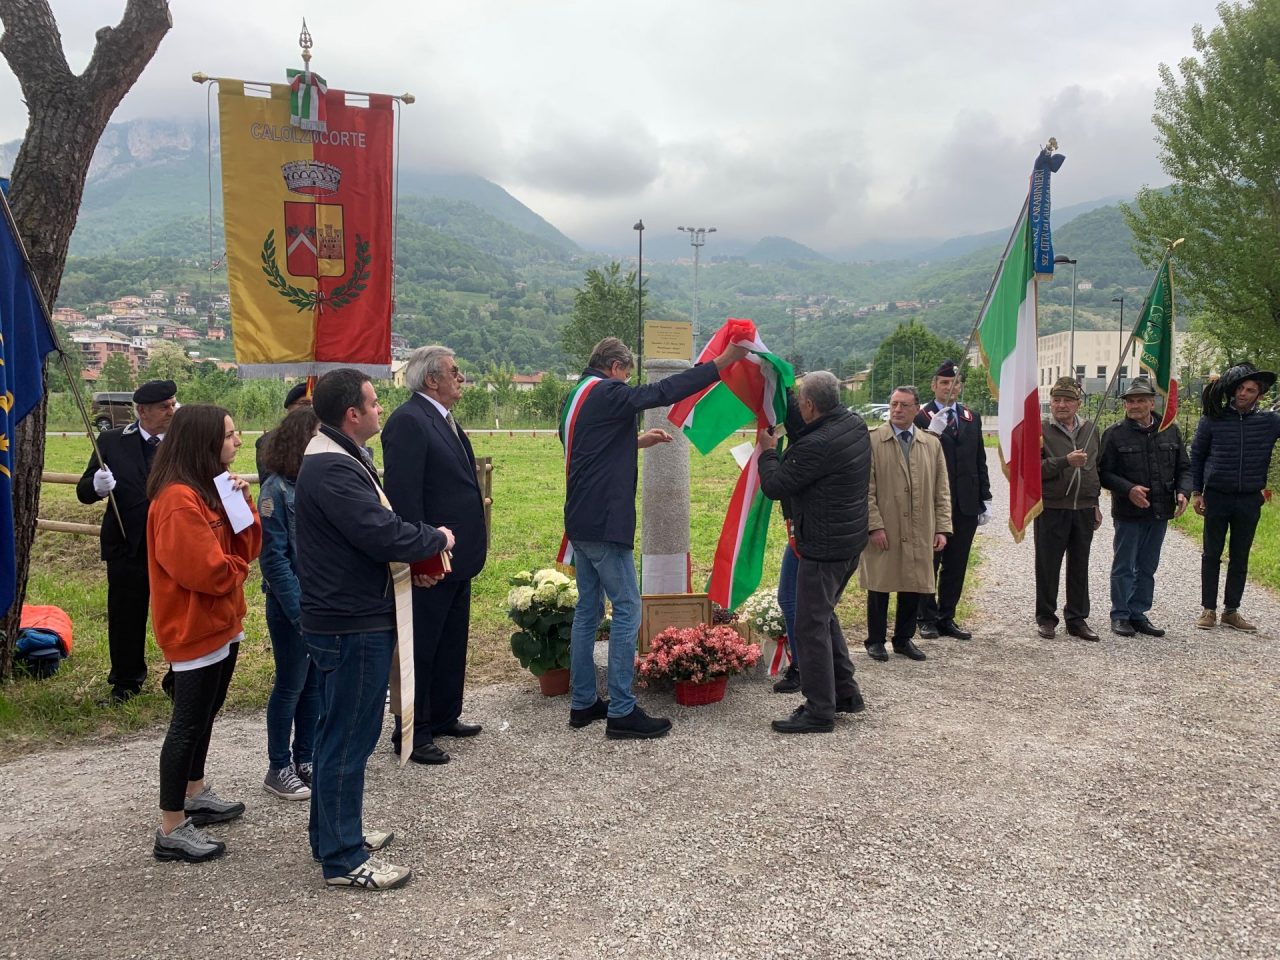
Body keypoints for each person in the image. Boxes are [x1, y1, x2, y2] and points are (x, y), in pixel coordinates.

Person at [295, 368, 454, 891]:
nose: (381, 408)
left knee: (335, 731)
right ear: (351, 414)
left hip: (347, 612)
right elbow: (378, 531)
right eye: (373, 401)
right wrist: (434, 538)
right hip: (350, 622)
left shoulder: (335, 454)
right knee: (348, 738)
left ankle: (332, 833)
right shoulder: (333, 466)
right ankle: (343, 858)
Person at [563, 336, 747, 740]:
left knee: (587, 612)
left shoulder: (576, 396)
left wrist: (636, 441)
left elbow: (588, 447)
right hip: (606, 523)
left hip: (580, 520)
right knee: (628, 607)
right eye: (626, 374)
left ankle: (582, 703)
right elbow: (662, 391)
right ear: (614, 367)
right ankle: (622, 711)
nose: (627, 382)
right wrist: (720, 365)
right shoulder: (609, 390)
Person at [148, 404, 261, 863]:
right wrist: (237, 570)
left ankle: (194, 791)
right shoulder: (177, 500)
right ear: (203, 442)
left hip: (222, 622)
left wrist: (242, 499)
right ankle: (171, 825)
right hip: (194, 627)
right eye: (230, 435)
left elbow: (250, 542)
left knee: (208, 712)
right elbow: (208, 571)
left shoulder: (212, 490)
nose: (237, 442)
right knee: (187, 723)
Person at [383, 346, 488, 766]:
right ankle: (414, 729)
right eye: (454, 371)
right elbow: (406, 498)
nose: (460, 377)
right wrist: (420, 557)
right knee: (421, 645)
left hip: (457, 556)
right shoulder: (409, 421)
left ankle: (444, 713)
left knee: (449, 640)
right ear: (431, 380)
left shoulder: (441, 418)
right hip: (431, 558)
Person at [757, 371, 871, 734]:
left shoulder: (815, 445)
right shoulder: (853, 423)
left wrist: (768, 453)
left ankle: (820, 709)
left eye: (801, 402)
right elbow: (807, 425)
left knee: (809, 625)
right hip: (848, 543)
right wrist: (774, 380)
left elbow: (775, 485)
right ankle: (846, 693)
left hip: (823, 548)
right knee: (823, 617)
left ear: (810, 405)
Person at [76, 378, 178, 702]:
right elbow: (83, 493)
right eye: (165, 406)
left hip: (174, 545)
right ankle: (125, 682)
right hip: (126, 543)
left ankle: (179, 680)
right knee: (125, 616)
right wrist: (96, 485)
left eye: (174, 403)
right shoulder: (111, 441)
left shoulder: (184, 440)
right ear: (143, 410)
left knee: (178, 615)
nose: (172, 409)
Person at [860, 385, 951, 663]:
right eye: (894, 404)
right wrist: (874, 525)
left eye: (904, 405)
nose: (897, 410)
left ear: (916, 409)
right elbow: (865, 488)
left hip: (920, 526)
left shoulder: (931, 443)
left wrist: (942, 528)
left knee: (913, 583)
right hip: (886, 525)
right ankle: (875, 640)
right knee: (880, 583)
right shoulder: (873, 440)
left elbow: (941, 489)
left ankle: (903, 638)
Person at [258, 407, 322, 800]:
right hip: (292, 606)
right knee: (290, 684)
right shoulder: (276, 490)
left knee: (314, 685)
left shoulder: (310, 485)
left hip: (318, 603)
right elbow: (274, 559)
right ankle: (278, 766)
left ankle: (306, 757)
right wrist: (299, 611)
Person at [1189, 363, 1280, 632]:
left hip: (1250, 497)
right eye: (1239, 388)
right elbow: (1197, 455)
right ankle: (1208, 609)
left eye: (1250, 390)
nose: (1243, 394)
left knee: (1240, 555)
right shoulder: (1213, 419)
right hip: (1217, 494)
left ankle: (1231, 610)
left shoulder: (1269, 421)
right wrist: (1196, 492)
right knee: (1211, 553)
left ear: (1259, 395)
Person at [1098, 376, 1191, 637]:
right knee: (1125, 565)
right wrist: (1128, 489)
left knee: (1148, 566)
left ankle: (1138, 612)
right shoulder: (1114, 434)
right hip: (1129, 513)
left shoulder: (1169, 430)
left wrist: (1183, 492)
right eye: (1130, 401)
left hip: (1160, 510)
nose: (1135, 405)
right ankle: (1120, 615)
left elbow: (1184, 466)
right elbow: (1104, 472)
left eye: (1140, 400)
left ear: (1152, 403)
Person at [915, 360, 990, 640]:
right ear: (934, 385)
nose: (950, 387)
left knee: (957, 564)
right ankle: (925, 617)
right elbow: (914, 457)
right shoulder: (921, 418)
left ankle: (947, 616)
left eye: (955, 382)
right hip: (933, 502)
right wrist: (932, 430)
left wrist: (986, 497)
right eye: (944, 382)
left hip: (966, 502)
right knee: (929, 561)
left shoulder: (972, 417)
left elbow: (979, 460)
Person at [1035, 377, 1103, 641]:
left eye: (1067, 400)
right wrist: (1065, 461)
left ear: (1078, 403)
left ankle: (1077, 619)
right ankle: (1046, 618)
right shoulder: (1040, 430)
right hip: (1052, 506)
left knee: (1080, 566)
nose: (1061, 405)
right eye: (1056, 400)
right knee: (1048, 565)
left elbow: (1094, 468)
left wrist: (1095, 502)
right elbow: (1032, 471)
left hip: (1084, 507)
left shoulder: (1090, 429)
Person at [771, 387, 807, 695]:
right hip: (808, 527)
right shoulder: (840, 431)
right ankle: (809, 664)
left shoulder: (803, 447)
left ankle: (803, 666)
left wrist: (768, 453)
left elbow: (776, 485)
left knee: (792, 599)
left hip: (804, 531)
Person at [255, 382, 313, 479]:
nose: (310, 410)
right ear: (289, 408)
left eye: (313, 405)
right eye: (305, 404)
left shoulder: (322, 439)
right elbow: (268, 480)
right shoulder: (268, 442)